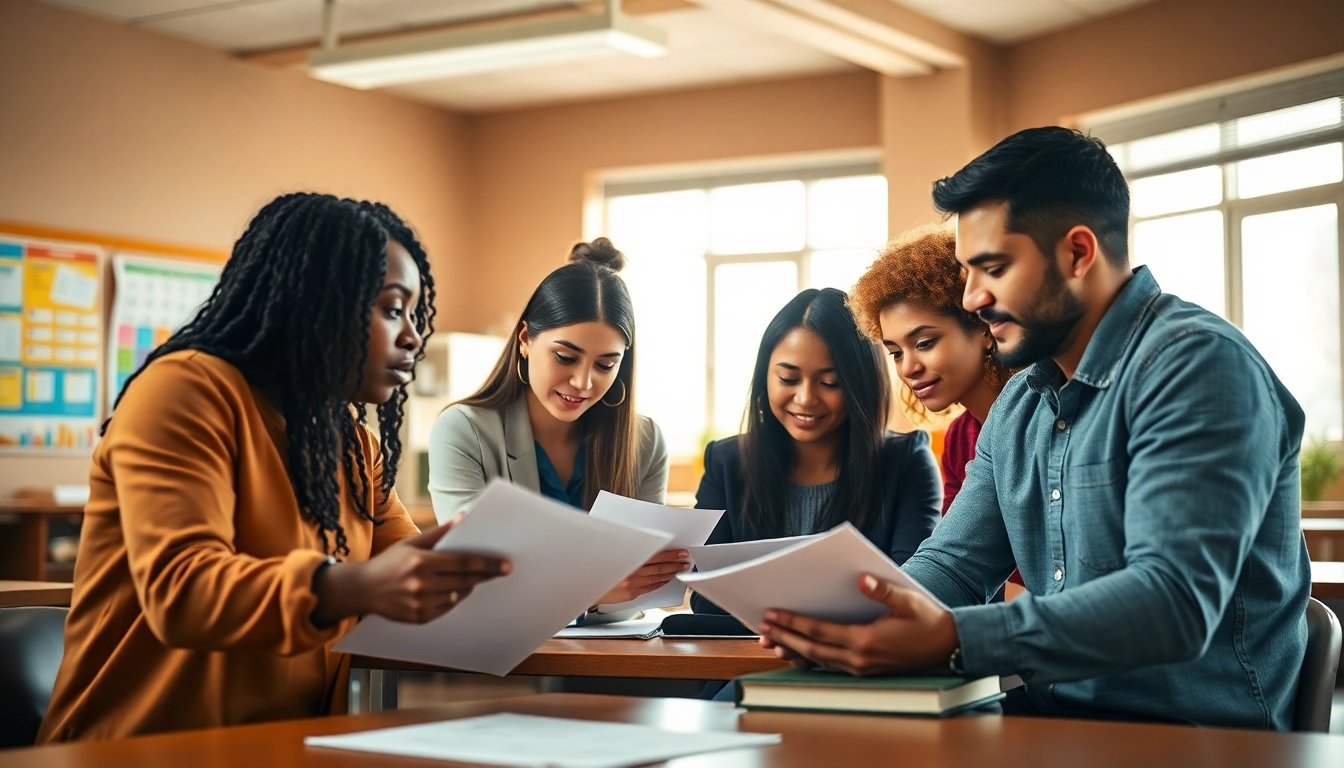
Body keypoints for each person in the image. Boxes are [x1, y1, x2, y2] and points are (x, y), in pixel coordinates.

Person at [757, 127, 1310, 730]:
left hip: (1195, 738)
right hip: (1056, 722)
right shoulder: (1022, 401)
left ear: (1078, 253)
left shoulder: (1197, 367)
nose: (970, 298)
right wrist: (854, 617)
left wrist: (954, 636)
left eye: (993, 268)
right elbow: (954, 566)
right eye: (968, 272)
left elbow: (1173, 603)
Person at [39, 194, 510, 742]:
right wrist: (356, 587)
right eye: (390, 308)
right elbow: (182, 589)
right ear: (314, 303)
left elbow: (407, 566)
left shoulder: (351, 444)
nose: (412, 337)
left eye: (414, 314)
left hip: (282, 748)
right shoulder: (185, 390)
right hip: (133, 751)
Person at [429, 238, 680, 621]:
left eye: (605, 365)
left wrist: (558, 582)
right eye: (566, 357)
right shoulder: (463, 431)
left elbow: (640, 589)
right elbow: (474, 577)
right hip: (501, 657)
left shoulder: (645, 442)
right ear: (525, 339)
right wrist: (593, 587)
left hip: (615, 653)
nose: (583, 382)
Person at [691, 287, 941, 617]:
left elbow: (909, 594)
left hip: (861, 663)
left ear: (860, 385)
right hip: (745, 660)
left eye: (830, 383)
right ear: (765, 376)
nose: (806, 398)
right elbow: (706, 598)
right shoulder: (727, 463)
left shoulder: (906, 461)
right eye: (788, 378)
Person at [848, 226, 1022, 595]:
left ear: (983, 327)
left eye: (924, 343)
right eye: (896, 352)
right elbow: (954, 562)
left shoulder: (1041, 414)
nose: (907, 367)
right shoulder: (961, 439)